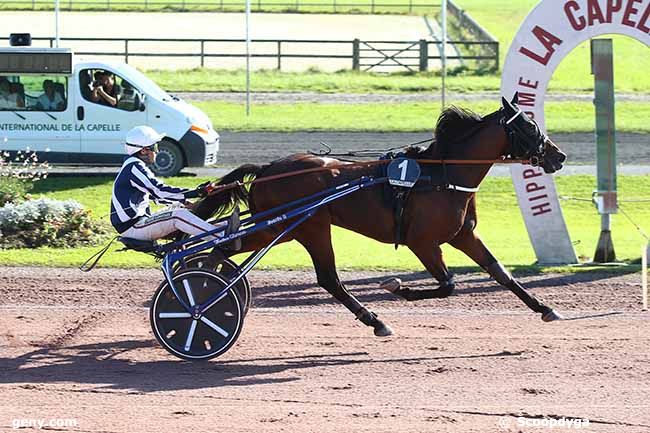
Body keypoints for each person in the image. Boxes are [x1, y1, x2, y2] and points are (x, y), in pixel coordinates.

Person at [110, 125, 238, 243]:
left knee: (182, 209)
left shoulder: (133, 166)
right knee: (177, 216)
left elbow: (154, 196)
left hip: (138, 223)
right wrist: (195, 192)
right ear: (143, 151)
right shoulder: (134, 167)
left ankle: (219, 228)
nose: (157, 151)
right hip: (133, 228)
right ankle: (222, 238)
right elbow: (159, 191)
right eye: (155, 147)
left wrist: (183, 202)